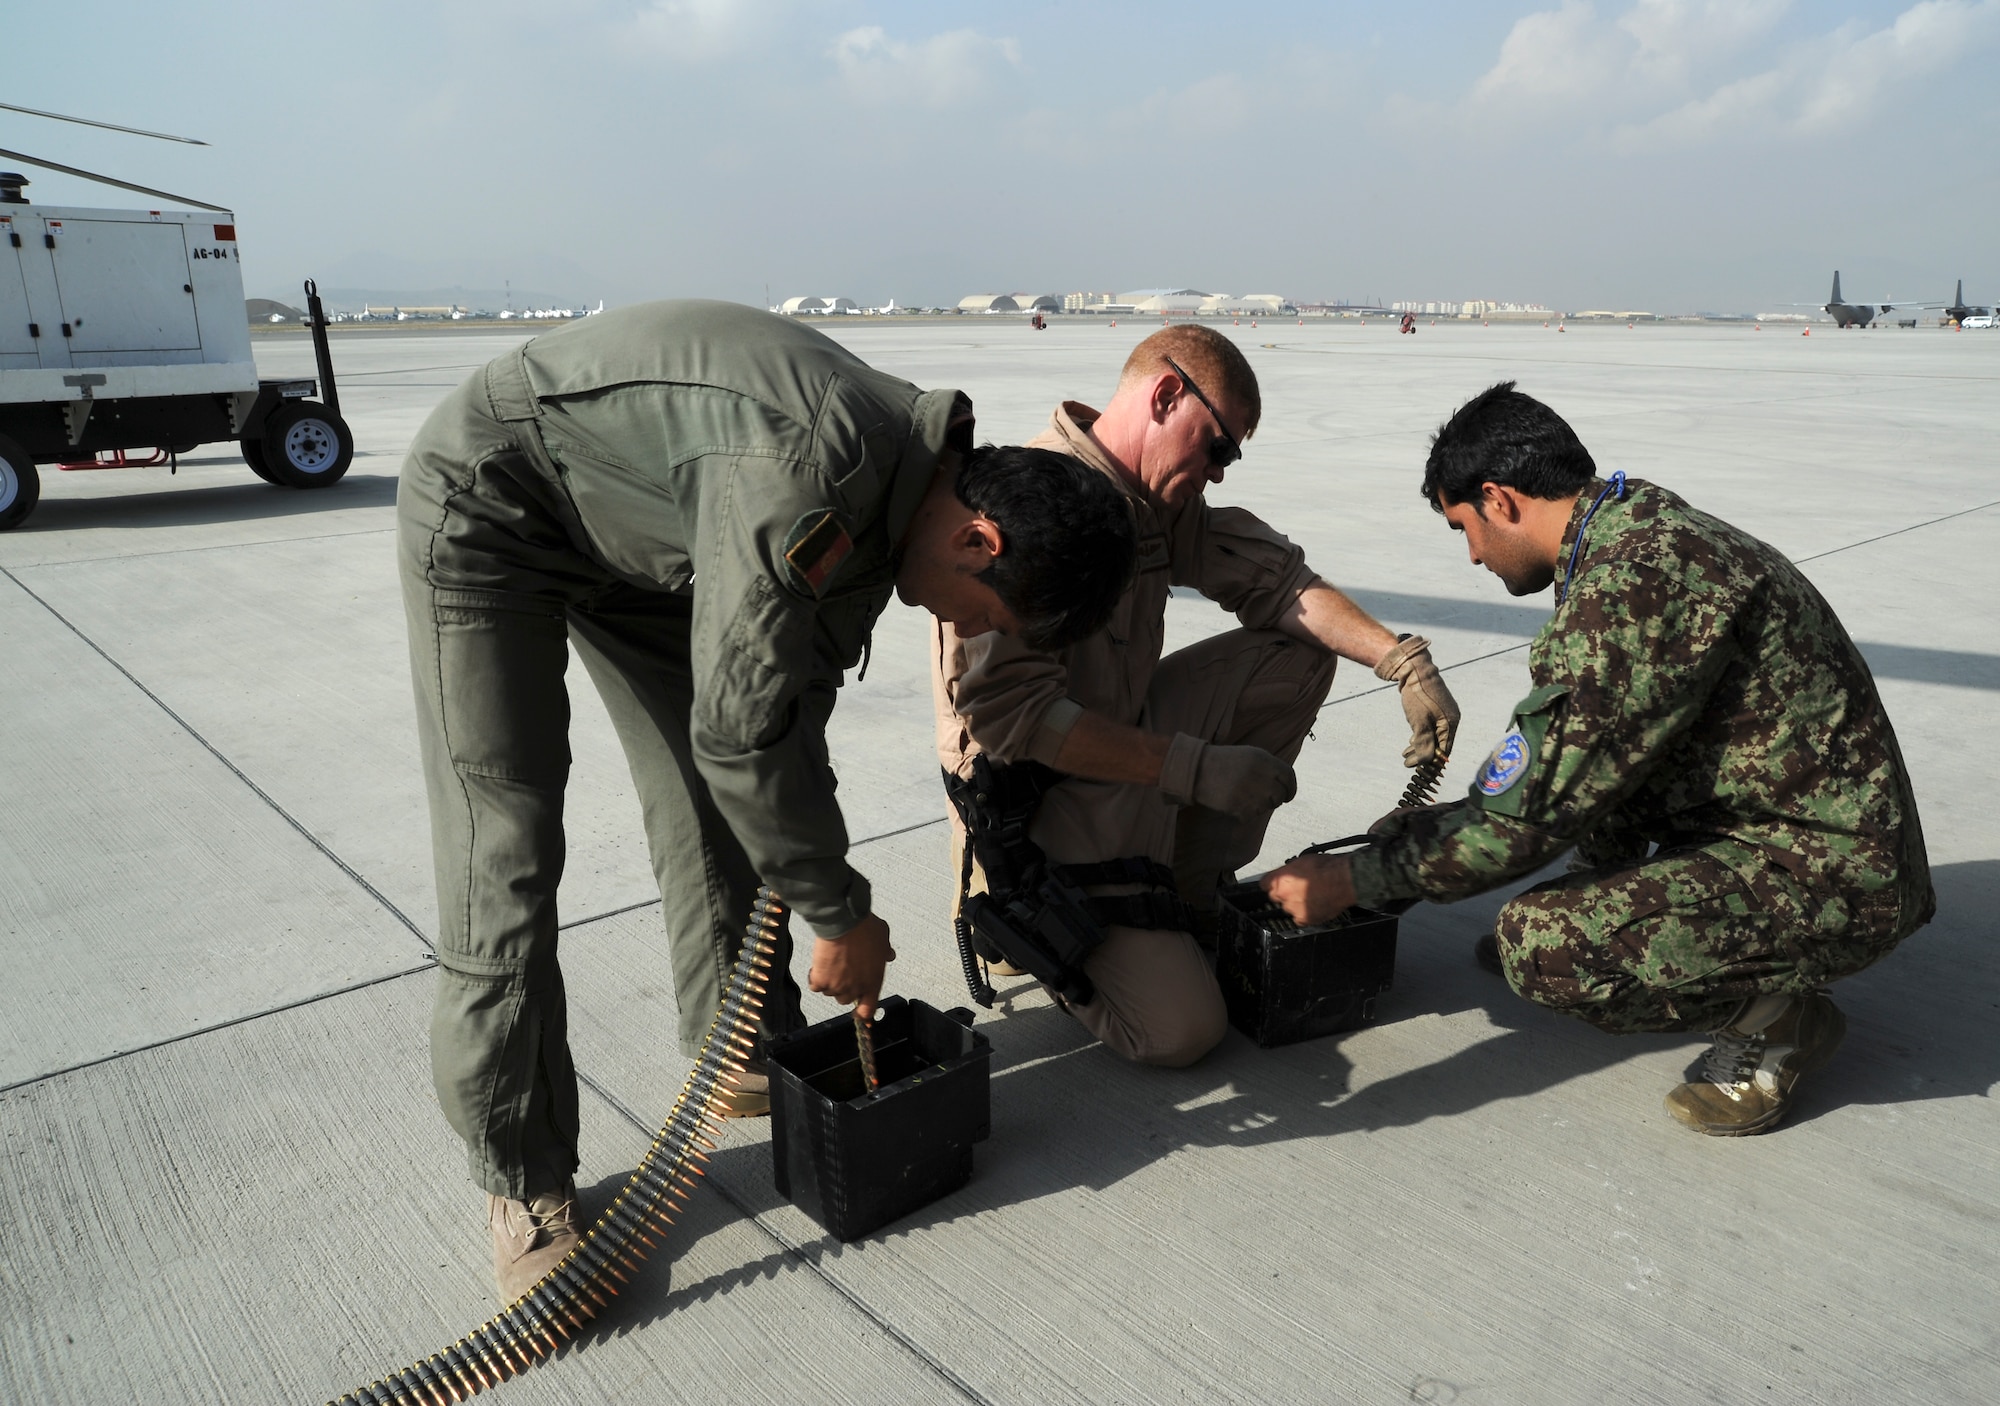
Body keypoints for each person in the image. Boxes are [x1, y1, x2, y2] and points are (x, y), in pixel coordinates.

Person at [399, 300, 1136, 1297]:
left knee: (717, 803)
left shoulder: (898, 502)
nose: (976, 631)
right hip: (495, 505)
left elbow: (778, 723)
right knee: (507, 852)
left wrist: (827, 887)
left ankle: (736, 1037)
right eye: (993, 615)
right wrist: (838, 910)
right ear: (977, 539)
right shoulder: (813, 480)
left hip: (643, 540)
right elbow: (740, 733)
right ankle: (522, 1177)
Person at [1262, 381, 1934, 1136]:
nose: (1474, 555)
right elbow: (1593, 763)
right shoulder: (1630, 533)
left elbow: (1525, 818)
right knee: (1577, 815)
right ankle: (1624, 907)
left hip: (1833, 872)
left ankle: (1777, 1021)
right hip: (1786, 825)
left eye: (1464, 528)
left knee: (1547, 949)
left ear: (1500, 498)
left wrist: (1353, 878)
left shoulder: (1635, 587)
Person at [933, 324, 1461, 1067]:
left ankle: (1185, 896)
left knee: (1296, 659)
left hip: (1129, 745)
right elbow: (1014, 719)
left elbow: (1276, 583)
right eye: (1219, 448)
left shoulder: (1153, 500)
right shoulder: (1031, 504)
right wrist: (1196, 768)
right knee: (1179, 1033)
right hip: (1039, 794)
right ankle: (1021, 923)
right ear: (1167, 393)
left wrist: (1402, 661)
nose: (1218, 474)